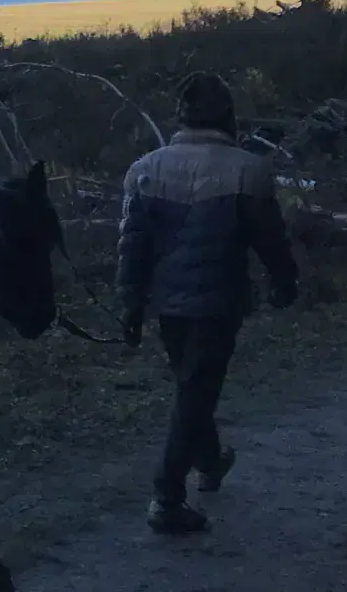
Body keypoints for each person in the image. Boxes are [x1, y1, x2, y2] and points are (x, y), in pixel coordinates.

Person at [117, 72, 298, 534]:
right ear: (229, 115)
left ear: (181, 116)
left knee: (191, 385)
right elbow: (270, 240)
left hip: (168, 304)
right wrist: (285, 283)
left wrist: (131, 307)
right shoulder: (247, 169)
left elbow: (132, 248)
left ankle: (212, 460)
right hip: (219, 300)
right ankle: (166, 497)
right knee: (195, 390)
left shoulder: (144, 169)